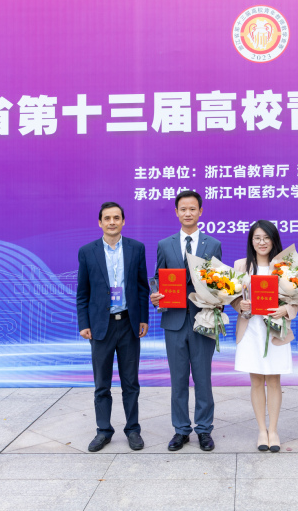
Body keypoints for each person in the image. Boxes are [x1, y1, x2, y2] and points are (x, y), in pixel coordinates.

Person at [150, 190, 223, 451]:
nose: (188, 213)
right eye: (183, 209)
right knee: (178, 379)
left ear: (200, 211)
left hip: (203, 319)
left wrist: (219, 297)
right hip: (174, 321)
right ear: (176, 212)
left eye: (193, 209)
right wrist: (155, 296)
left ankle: (204, 429)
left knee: (203, 378)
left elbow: (219, 282)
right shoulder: (165, 244)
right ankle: (181, 430)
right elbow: (157, 278)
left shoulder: (212, 244)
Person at [76, 201, 150, 452]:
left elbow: (142, 287)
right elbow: (82, 292)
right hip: (101, 326)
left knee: (131, 383)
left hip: (128, 324)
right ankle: (103, 431)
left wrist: (143, 318)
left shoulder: (136, 248)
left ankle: (133, 430)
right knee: (102, 385)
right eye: (107, 218)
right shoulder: (87, 251)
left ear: (123, 221)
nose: (112, 222)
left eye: (116, 218)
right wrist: (84, 323)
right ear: (100, 222)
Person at [232, 221, 295, 453]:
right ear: (251, 241)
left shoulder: (285, 266)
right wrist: (241, 305)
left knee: (274, 380)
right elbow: (232, 297)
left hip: (276, 329)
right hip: (251, 329)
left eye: (266, 237)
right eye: (257, 238)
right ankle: (261, 430)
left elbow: (297, 296)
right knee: (257, 380)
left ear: (274, 240)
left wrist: (285, 309)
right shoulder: (241, 265)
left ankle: (274, 430)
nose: (262, 242)